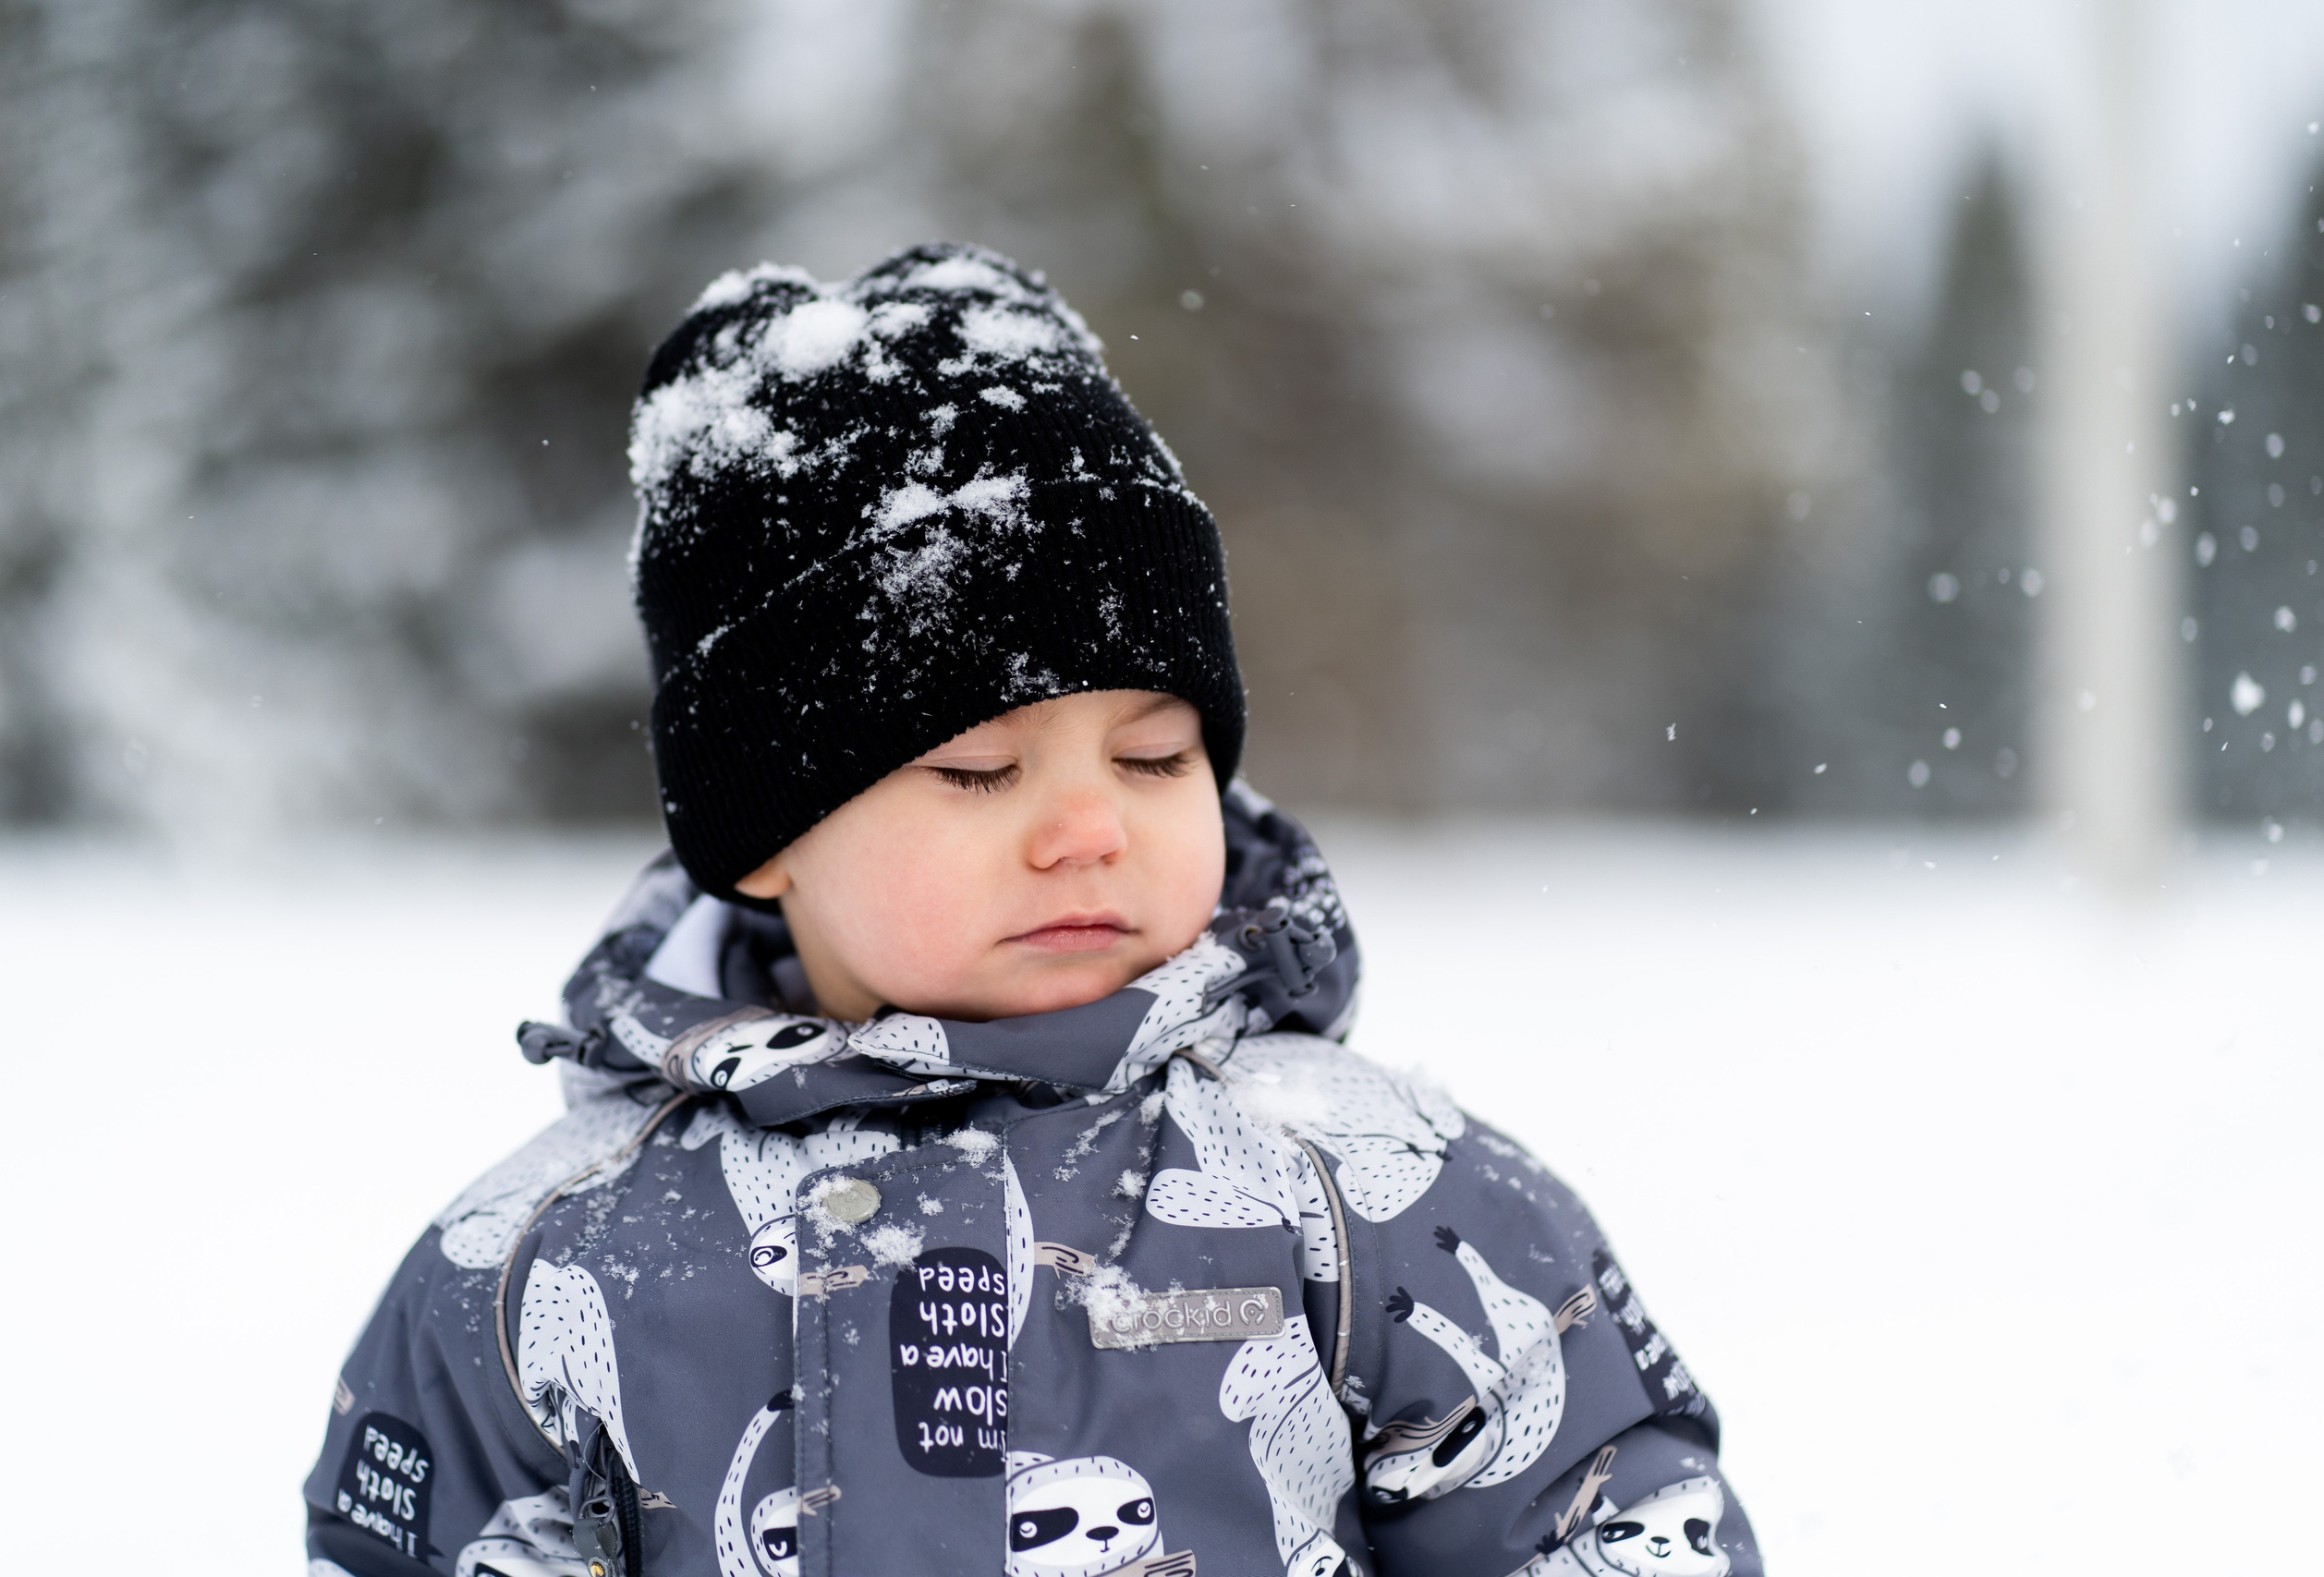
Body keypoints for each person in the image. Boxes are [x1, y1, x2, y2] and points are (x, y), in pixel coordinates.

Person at [303, 243, 1762, 1577]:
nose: (1086, 828)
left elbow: (1600, 1520)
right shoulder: (550, 1257)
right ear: (764, 840)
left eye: (1153, 755)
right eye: (978, 769)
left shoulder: (1373, 1197)